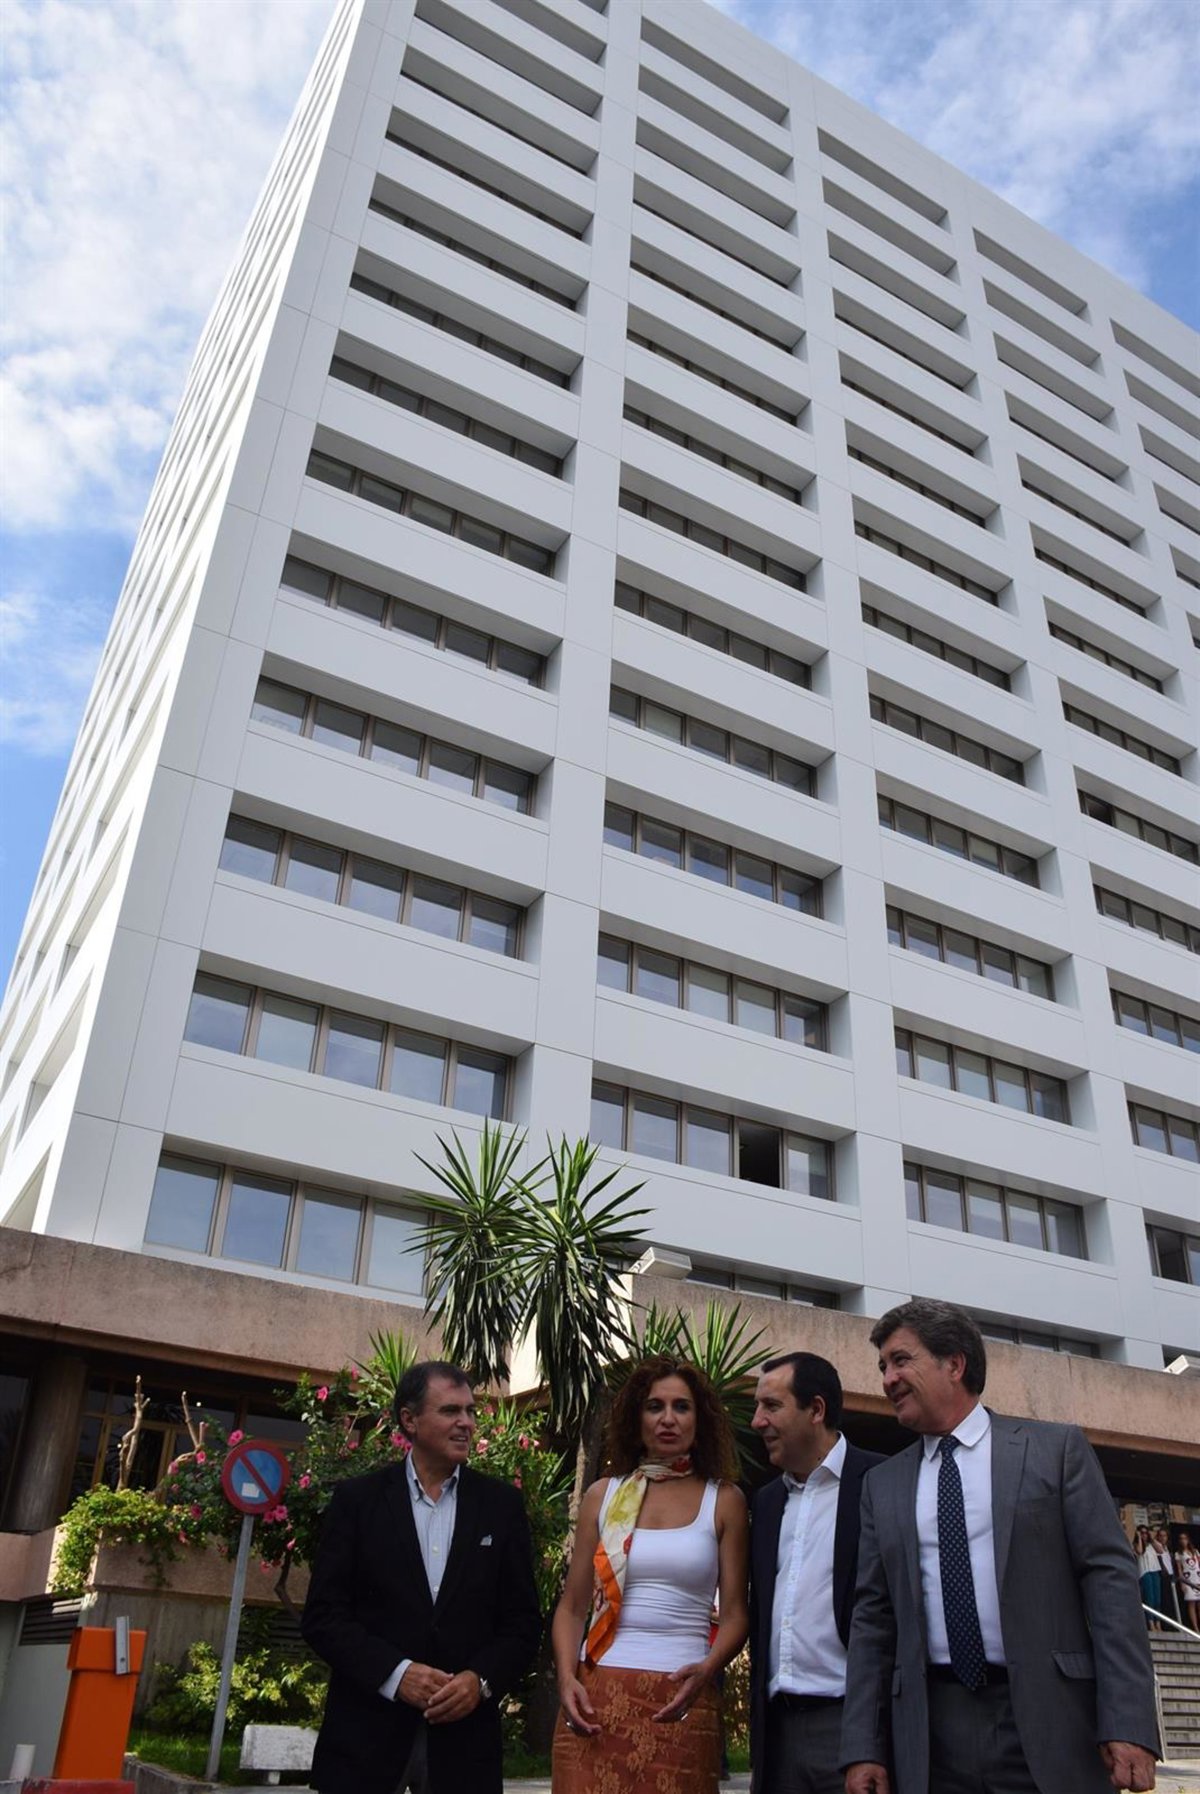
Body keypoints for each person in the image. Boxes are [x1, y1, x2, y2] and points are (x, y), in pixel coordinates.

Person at [840, 1299, 1159, 1794]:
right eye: (883, 1366)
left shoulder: (1055, 1451)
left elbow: (1111, 1585)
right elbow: (872, 1620)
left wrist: (1128, 1721)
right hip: (928, 1734)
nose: (887, 1379)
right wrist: (863, 1745)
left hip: (1051, 1724)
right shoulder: (882, 1485)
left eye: (901, 1360)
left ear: (954, 1363)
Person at [301, 1360, 542, 1794]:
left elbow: (522, 1624)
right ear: (409, 1420)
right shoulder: (358, 1501)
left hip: (465, 1747)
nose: (467, 1423)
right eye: (450, 1411)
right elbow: (323, 1617)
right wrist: (397, 1675)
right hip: (364, 1740)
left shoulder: (501, 1506)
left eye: (470, 1411)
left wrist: (479, 1681)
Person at [550, 1354, 749, 1793]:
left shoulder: (724, 1501)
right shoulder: (603, 1495)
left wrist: (708, 1669)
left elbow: (736, 1615)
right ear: (635, 1418)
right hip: (594, 1697)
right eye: (654, 1406)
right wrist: (566, 1678)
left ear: (700, 1420)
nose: (668, 1419)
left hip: (681, 1697)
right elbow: (572, 1607)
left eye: (682, 1407)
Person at [748, 1351, 884, 1794]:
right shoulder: (766, 1502)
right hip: (778, 1736)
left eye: (772, 1406)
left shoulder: (882, 1481)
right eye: (757, 1407)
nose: (757, 1421)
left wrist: (873, 1740)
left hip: (853, 1731)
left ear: (817, 1409)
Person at [1135, 1526, 1163, 1628]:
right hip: (1145, 1572)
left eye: (1146, 1533)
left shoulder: (1151, 1545)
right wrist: (1139, 1537)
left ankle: (1158, 1623)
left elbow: (1161, 1550)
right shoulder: (1137, 1544)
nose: (1144, 1535)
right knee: (1149, 1597)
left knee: (1157, 1598)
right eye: (1142, 1533)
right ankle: (1151, 1623)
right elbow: (1139, 1551)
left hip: (1154, 1570)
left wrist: (1152, 1538)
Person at [1154, 1529, 1180, 1624]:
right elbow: (1160, 1559)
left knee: (1172, 1600)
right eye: (1161, 1536)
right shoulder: (1157, 1546)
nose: (1163, 1538)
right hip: (1164, 1576)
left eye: (1164, 1536)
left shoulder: (1167, 1548)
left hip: (1171, 1575)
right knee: (1165, 1599)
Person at [1176, 1531, 1200, 1627]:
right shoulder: (1178, 1553)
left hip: (1198, 1577)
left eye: (1185, 1538)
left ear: (1188, 1540)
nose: (1183, 1541)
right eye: (1181, 1539)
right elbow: (1179, 1569)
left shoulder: (1195, 1551)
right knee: (1192, 1604)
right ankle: (1195, 1627)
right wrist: (1182, 1583)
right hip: (1188, 1580)